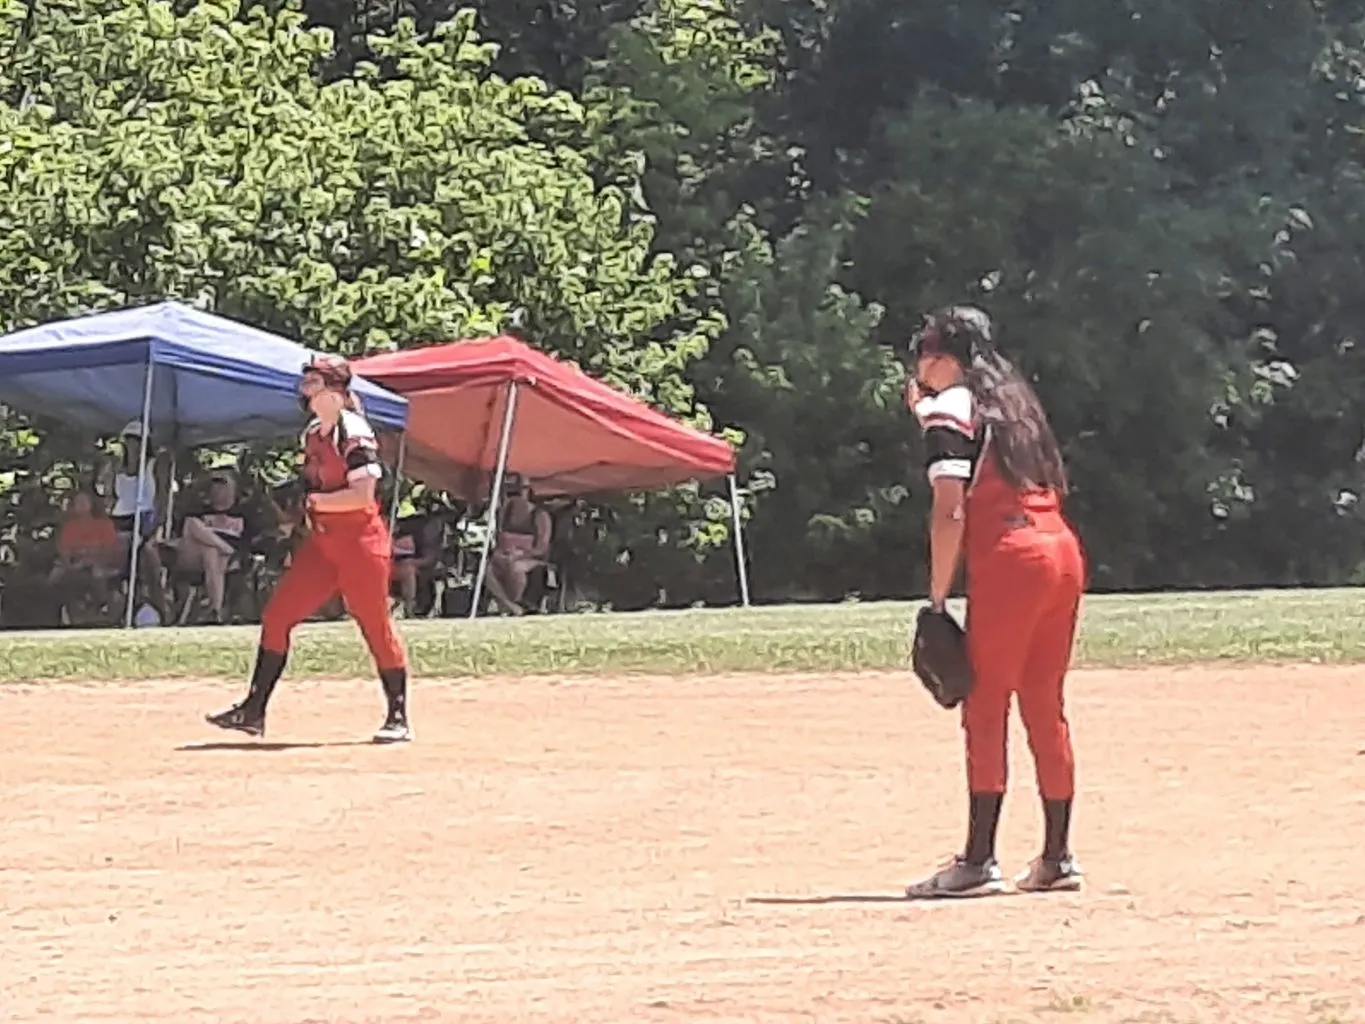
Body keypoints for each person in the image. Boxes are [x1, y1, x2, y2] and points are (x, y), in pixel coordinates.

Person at [901, 306, 1086, 898]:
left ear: (941, 357)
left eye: (922, 356)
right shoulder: (1015, 403)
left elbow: (950, 509)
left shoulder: (952, 405)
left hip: (1013, 560)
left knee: (984, 705)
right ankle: (1057, 858)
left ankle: (978, 861)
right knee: (1044, 704)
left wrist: (937, 599)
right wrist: (925, 409)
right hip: (1061, 551)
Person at [205, 355, 411, 743]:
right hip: (324, 544)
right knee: (278, 616)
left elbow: (362, 496)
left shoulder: (353, 431)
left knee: (374, 625)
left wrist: (315, 503)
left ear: (334, 390)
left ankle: (398, 716)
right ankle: (253, 711)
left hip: (360, 544)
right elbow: (313, 487)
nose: (305, 389)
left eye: (313, 382)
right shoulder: (314, 433)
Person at [173, 469, 261, 623]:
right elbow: (186, 528)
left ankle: (215, 610)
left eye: (223, 484)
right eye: (214, 484)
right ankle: (214, 609)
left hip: (224, 558)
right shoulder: (199, 509)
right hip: (194, 555)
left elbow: (247, 543)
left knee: (211, 552)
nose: (218, 489)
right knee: (192, 523)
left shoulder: (243, 514)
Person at [484, 473, 552, 615]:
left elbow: (542, 548)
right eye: (510, 493)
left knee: (516, 569)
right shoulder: (505, 514)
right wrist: (500, 554)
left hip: (531, 559)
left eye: (518, 492)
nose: (514, 497)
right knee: (487, 569)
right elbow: (499, 541)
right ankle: (510, 606)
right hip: (506, 556)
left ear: (528, 491)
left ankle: (513, 604)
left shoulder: (539, 515)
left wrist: (521, 554)